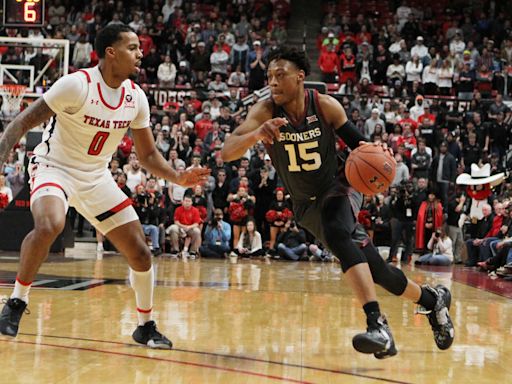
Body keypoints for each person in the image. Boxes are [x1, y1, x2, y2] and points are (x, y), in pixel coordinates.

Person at [221, 47, 454, 358]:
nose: (272, 83)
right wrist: (256, 135)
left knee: (336, 229)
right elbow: (227, 151)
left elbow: (361, 146)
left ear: (300, 76)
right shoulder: (264, 112)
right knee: (378, 272)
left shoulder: (325, 106)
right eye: (269, 77)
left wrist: (381, 161)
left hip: (340, 187)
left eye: (280, 75)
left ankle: (377, 324)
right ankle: (431, 301)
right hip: (306, 205)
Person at [0, 25, 210, 348]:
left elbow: (149, 154)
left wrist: (177, 177)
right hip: (54, 167)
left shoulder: (135, 97)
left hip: (97, 177)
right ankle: (16, 302)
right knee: (51, 224)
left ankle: (145, 326)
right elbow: (20, 123)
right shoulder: (76, 85)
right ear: (110, 52)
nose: (141, 54)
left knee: (141, 253)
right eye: (133, 47)